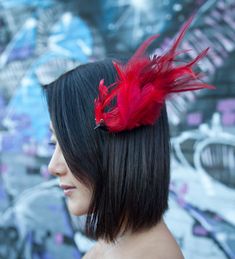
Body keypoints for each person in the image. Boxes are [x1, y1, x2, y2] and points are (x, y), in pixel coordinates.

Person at [42, 17, 214, 259]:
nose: (53, 167)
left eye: (68, 143)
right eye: (54, 143)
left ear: (114, 148)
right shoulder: (117, 243)